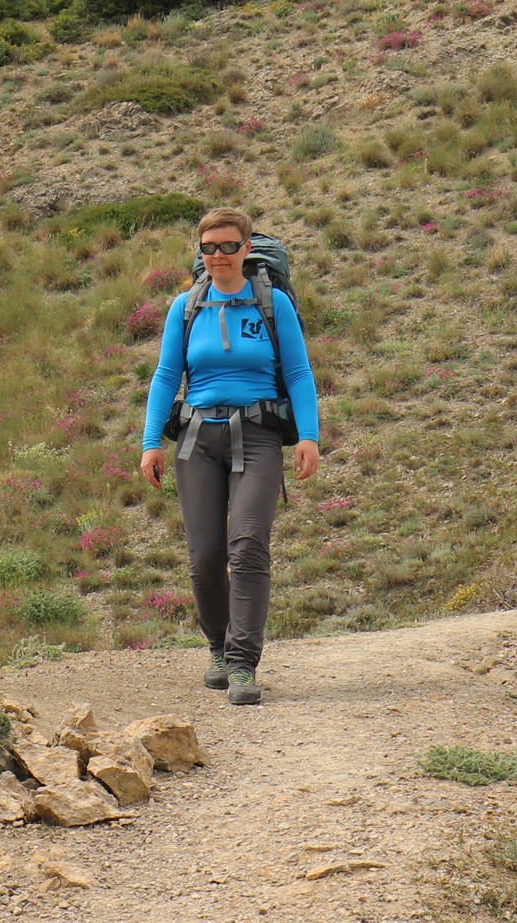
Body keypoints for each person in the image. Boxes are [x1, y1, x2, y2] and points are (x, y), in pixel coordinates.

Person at [137, 207, 321, 705]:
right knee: (205, 558)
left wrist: (309, 436)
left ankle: (242, 663)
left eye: (228, 246)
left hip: (257, 436)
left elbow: (299, 373)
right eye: (208, 247)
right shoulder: (186, 307)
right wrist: (151, 442)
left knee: (248, 547)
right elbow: (166, 375)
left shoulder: (272, 304)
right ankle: (218, 649)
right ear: (200, 253)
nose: (218, 255)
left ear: (246, 249)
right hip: (196, 439)